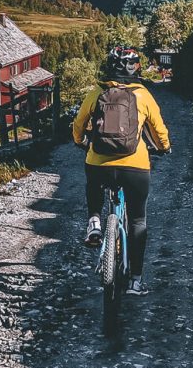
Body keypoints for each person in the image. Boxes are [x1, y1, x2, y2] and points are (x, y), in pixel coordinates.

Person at [72, 46, 171, 296]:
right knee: (138, 220)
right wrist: (164, 147)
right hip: (134, 165)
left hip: (99, 162)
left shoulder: (97, 92)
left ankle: (94, 219)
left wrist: (80, 141)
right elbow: (159, 130)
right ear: (135, 68)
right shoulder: (143, 95)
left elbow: (78, 124)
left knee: (93, 181)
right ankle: (136, 281)